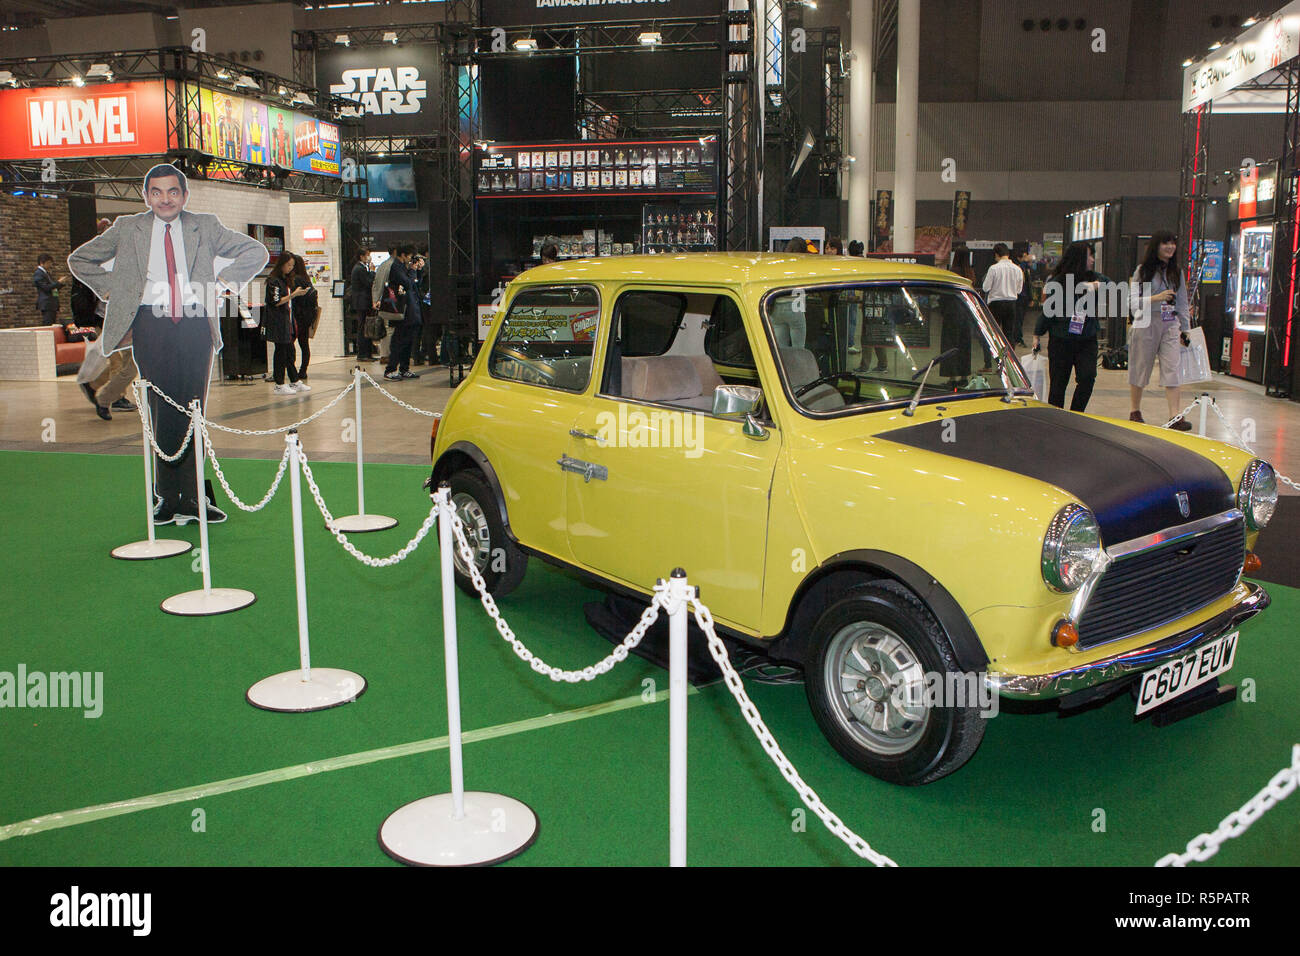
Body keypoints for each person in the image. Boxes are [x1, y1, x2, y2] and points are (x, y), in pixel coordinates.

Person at [68, 162, 266, 526]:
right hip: (149, 324)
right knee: (160, 407)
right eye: (156, 192)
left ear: (184, 195)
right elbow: (80, 259)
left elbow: (256, 253)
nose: (165, 199)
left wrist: (222, 282)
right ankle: (166, 497)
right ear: (146, 197)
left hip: (194, 324)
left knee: (193, 407)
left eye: (172, 191)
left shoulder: (205, 225)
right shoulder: (127, 228)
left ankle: (192, 498)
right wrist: (115, 288)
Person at [1128, 231, 1193, 430]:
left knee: (1172, 367)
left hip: (1170, 323)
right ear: (1156, 245)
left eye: (1173, 243)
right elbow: (1132, 303)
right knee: (1141, 367)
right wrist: (1156, 298)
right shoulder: (1142, 271)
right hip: (1145, 322)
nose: (1170, 247)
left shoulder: (1177, 272)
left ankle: (1175, 416)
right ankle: (1135, 410)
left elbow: (1182, 302)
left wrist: (1186, 328)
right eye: (1166, 243)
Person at [1032, 241, 1102, 412]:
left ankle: (1076, 414)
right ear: (1079, 258)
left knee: (1087, 377)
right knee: (1058, 385)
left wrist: (1095, 286)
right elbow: (1048, 312)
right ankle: (1057, 420)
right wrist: (1037, 334)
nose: (1093, 259)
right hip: (1061, 340)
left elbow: (1111, 285)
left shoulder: (1095, 278)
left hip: (1087, 340)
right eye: (1089, 256)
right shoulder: (1058, 282)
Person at [265, 252, 310, 395]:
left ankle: (294, 380)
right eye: (288, 265)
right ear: (282, 264)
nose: (290, 268)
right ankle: (279, 383)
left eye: (292, 265)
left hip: (287, 320)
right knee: (281, 352)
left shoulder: (286, 279)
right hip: (277, 321)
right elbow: (276, 301)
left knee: (290, 351)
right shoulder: (274, 281)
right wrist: (293, 295)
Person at [383, 245, 422, 381]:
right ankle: (390, 369)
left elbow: (415, 284)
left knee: (408, 341)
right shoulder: (396, 267)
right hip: (402, 311)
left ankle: (404, 369)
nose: (411, 259)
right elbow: (407, 283)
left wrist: (416, 270)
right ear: (403, 255)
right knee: (398, 341)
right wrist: (412, 270)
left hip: (410, 310)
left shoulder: (403, 267)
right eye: (410, 256)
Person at [982, 243, 1024, 346]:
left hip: (995, 304)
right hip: (1011, 304)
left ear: (996, 254)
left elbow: (985, 287)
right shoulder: (1017, 269)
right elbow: (1019, 290)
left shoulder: (993, 268)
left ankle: (993, 360)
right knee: (1009, 334)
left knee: (993, 333)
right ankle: (1009, 360)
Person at [290, 254, 320, 380]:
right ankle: (303, 370)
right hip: (307, 316)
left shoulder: (295, 280)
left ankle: (290, 369)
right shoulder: (306, 279)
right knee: (304, 344)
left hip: (297, 316)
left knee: (289, 345)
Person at [349, 247, 375, 360]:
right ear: (361, 256)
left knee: (364, 326)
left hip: (362, 302)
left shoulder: (361, 268)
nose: (369, 257)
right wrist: (373, 272)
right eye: (367, 255)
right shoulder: (359, 269)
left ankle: (367, 353)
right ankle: (363, 353)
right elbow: (368, 283)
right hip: (362, 302)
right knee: (363, 327)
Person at [34, 254, 67, 325]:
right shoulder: (38, 273)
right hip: (47, 303)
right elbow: (46, 287)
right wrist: (58, 282)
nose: (50, 265)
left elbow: (53, 287)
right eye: (48, 263)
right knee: (48, 322)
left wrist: (60, 284)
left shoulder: (46, 273)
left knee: (52, 322)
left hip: (52, 303)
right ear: (41, 263)